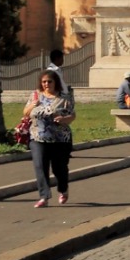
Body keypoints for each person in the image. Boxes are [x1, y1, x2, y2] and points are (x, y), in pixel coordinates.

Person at [25, 70, 75, 208]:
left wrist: (64, 119)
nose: (47, 84)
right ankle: (44, 197)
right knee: (40, 166)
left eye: (49, 81)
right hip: (37, 137)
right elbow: (25, 113)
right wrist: (32, 105)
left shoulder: (65, 98)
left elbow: (72, 115)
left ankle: (63, 189)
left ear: (55, 82)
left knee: (59, 168)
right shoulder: (35, 95)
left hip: (60, 139)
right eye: (44, 82)